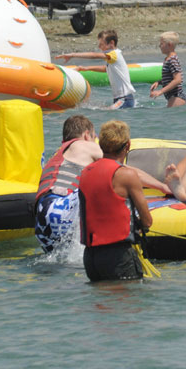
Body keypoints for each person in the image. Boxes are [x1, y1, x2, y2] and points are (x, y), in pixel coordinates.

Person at [35, 114, 170, 253]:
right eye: (95, 137)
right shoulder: (83, 145)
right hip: (61, 206)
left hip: (43, 217)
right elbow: (121, 169)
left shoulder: (60, 154)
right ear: (86, 135)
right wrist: (162, 186)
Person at [78, 120, 152, 281]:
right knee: (128, 296)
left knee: (101, 296)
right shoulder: (127, 175)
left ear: (101, 144)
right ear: (128, 145)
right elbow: (147, 221)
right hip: (118, 256)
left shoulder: (85, 173)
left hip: (90, 257)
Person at [56, 29, 135, 109]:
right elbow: (106, 68)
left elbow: (94, 55)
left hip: (124, 99)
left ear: (111, 43)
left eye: (101, 44)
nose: (99, 47)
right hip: (122, 98)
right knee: (104, 109)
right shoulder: (113, 57)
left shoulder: (114, 54)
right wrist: (85, 68)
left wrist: (72, 55)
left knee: (107, 111)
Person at [149, 31, 186, 107]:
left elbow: (178, 80)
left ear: (169, 44)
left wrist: (160, 91)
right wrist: (159, 82)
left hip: (177, 96)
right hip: (172, 96)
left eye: (161, 44)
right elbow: (170, 78)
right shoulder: (168, 59)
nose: (159, 46)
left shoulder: (172, 60)